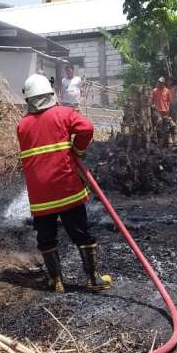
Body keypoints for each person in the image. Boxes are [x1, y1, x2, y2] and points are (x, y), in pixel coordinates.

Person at [17, 74, 111, 293]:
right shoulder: (64, 114)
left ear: (29, 100)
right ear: (51, 95)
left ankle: (56, 281)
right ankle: (92, 279)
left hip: (41, 196)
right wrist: (77, 149)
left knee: (46, 236)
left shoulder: (22, 126)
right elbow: (86, 128)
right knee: (81, 232)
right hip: (67, 188)